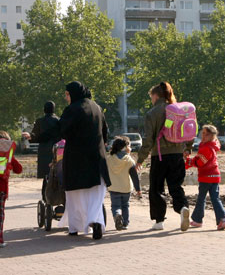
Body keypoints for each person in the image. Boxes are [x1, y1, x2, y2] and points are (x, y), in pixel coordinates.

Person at [57, 81, 111, 240]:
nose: (66, 97)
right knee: (95, 194)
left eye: (67, 94)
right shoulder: (97, 107)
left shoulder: (72, 109)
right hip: (96, 157)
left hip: (76, 158)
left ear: (73, 93)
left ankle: (74, 227)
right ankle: (95, 221)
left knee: (75, 195)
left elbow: (63, 131)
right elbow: (105, 131)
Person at [136, 82, 193, 231]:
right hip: (177, 155)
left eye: (151, 97)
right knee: (175, 186)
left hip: (159, 156)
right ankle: (182, 209)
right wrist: (188, 148)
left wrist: (140, 159)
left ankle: (159, 221)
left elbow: (148, 140)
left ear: (156, 96)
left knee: (156, 188)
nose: (151, 100)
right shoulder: (178, 110)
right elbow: (189, 129)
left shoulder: (152, 113)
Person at [186, 125, 225, 230]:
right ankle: (221, 219)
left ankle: (199, 220)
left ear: (212, 136)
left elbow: (200, 162)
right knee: (215, 198)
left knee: (202, 198)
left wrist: (188, 161)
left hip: (206, 176)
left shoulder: (206, 148)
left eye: (207, 134)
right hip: (215, 176)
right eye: (203, 133)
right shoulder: (212, 146)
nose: (203, 135)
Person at [22, 101, 61, 197]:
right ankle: (57, 194)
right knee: (56, 172)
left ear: (44, 109)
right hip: (56, 149)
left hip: (44, 150)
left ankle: (45, 195)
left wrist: (29, 136)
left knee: (46, 175)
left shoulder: (40, 121)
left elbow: (35, 136)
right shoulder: (58, 121)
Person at [106, 136, 141, 230]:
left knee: (115, 206)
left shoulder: (109, 159)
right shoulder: (129, 160)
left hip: (113, 188)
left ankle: (117, 215)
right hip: (126, 188)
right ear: (126, 147)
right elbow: (135, 177)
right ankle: (125, 223)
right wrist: (138, 189)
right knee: (125, 206)